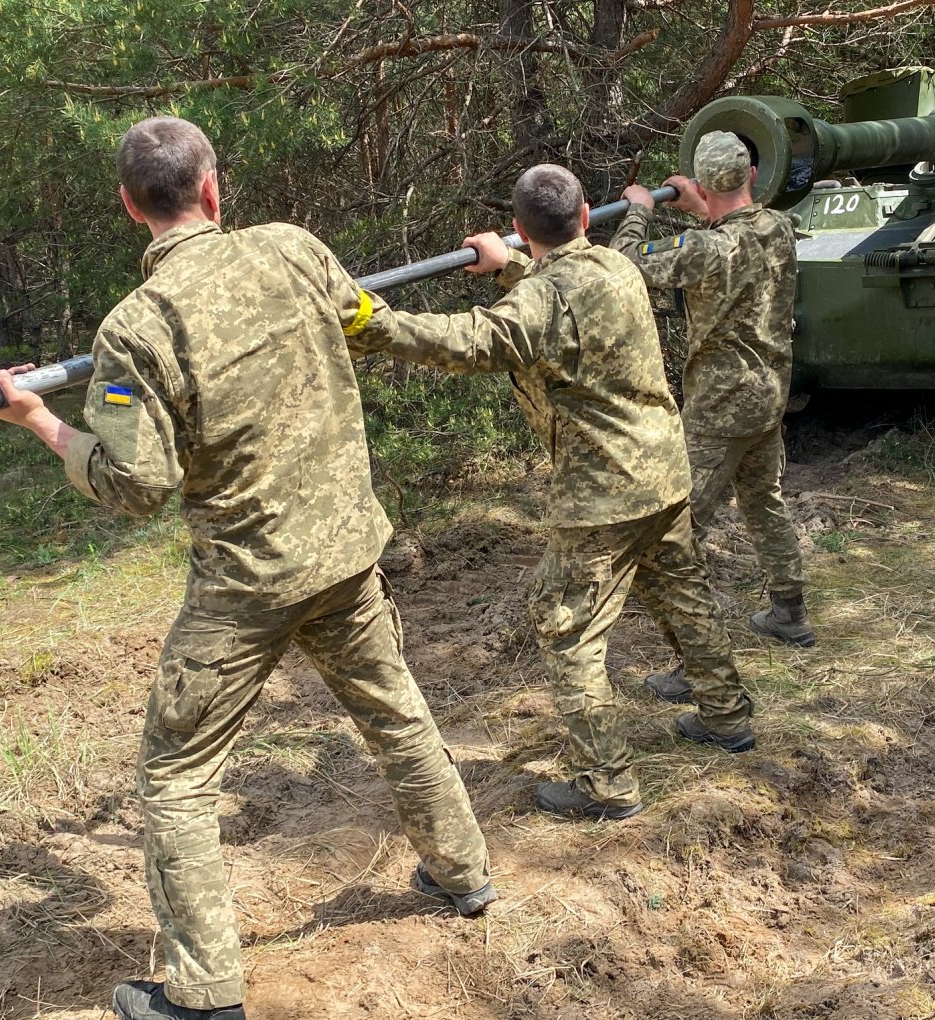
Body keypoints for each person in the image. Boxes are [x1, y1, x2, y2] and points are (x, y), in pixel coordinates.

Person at [0, 116, 494, 1020]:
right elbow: (362, 320)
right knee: (397, 715)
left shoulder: (136, 328)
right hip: (344, 554)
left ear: (129, 206)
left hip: (247, 585)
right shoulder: (296, 250)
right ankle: (464, 874)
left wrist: (38, 421)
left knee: (175, 777)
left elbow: (138, 484)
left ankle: (205, 993)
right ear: (212, 187)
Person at [344, 163, 756, 823]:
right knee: (682, 594)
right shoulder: (618, 267)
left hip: (603, 496)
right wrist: (508, 263)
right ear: (587, 217)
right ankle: (727, 714)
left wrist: (370, 319)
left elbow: (473, 341)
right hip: (662, 472)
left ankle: (606, 783)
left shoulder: (546, 296)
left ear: (521, 227)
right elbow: (559, 294)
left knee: (568, 631)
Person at [611, 130, 816, 705]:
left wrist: (640, 210)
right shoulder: (778, 227)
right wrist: (700, 206)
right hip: (770, 394)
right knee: (763, 501)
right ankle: (789, 612)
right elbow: (734, 231)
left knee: (675, 533)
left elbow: (628, 266)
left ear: (704, 184)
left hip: (719, 408)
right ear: (752, 175)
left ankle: (694, 663)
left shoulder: (701, 251)